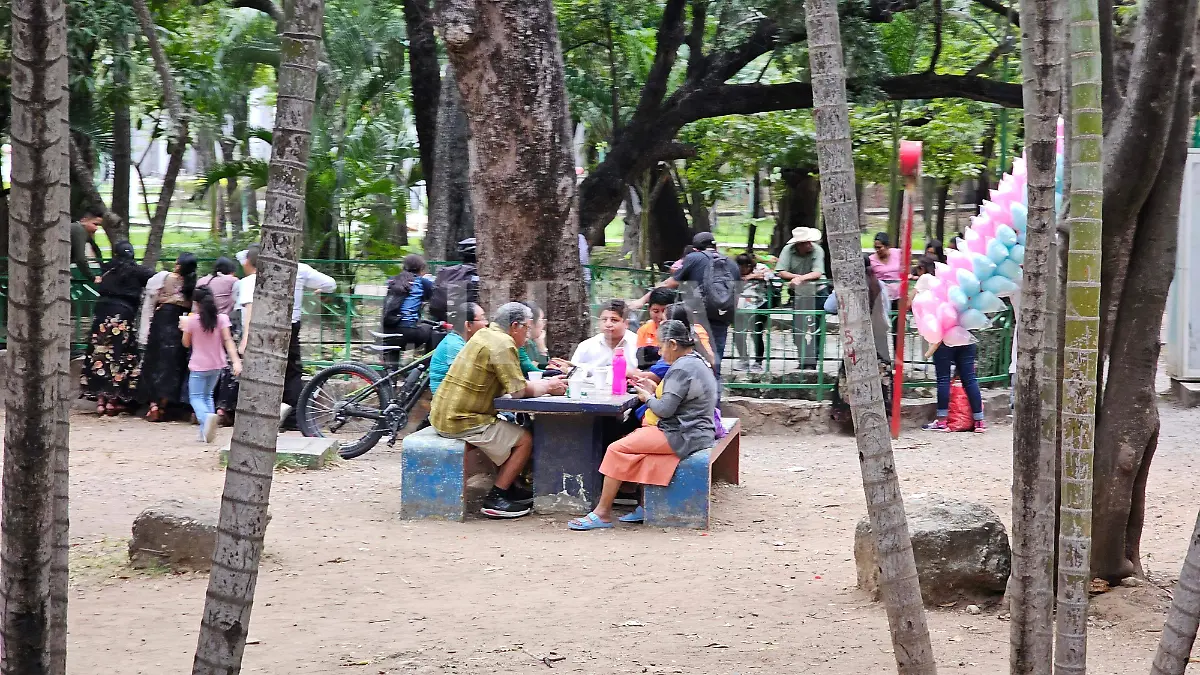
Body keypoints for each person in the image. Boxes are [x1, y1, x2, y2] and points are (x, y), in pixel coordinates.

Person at [568, 320, 719, 530]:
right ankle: (643, 505)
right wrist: (655, 388)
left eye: (661, 346)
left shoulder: (681, 368)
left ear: (673, 344)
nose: (659, 352)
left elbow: (664, 410)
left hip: (683, 433)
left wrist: (647, 397)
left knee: (616, 448)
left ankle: (601, 513)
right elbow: (677, 399)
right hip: (697, 431)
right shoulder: (696, 361)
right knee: (636, 446)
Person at [430, 302, 568, 519]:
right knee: (524, 439)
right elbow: (519, 391)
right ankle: (496, 497)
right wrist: (550, 387)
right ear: (515, 326)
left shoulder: (484, 335)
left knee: (511, 428)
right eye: (527, 327)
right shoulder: (503, 344)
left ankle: (510, 486)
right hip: (460, 420)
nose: (529, 334)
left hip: (442, 413)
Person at [234, 244, 337, 425]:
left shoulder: (253, 279)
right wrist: (320, 291)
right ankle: (294, 416)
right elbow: (330, 284)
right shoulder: (300, 269)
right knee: (292, 371)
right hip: (291, 324)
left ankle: (264, 415)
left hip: (264, 326)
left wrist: (245, 339)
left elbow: (250, 308)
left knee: (263, 370)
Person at [633, 232, 735, 376]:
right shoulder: (731, 263)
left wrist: (642, 300)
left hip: (698, 318)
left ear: (695, 249)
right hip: (722, 318)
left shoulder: (694, 258)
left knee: (684, 358)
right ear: (715, 246)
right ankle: (712, 395)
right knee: (713, 365)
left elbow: (670, 283)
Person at [80, 241, 155, 415]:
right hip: (123, 315)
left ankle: (100, 401)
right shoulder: (137, 271)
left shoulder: (107, 268)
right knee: (119, 355)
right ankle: (113, 401)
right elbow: (155, 277)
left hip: (102, 315)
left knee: (99, 354)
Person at [824, 257, 892, 423]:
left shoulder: (847, 286)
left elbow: (828, 307)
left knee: (853, 375)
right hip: (879, 336)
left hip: (856, 335)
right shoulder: (880, 285)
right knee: (879, 376)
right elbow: (887, 310)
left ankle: (850, 416)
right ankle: (879, 416)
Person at [138, 252, 198, 421]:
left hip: (162, 319)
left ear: (178, 265)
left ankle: (153, 405)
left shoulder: (165, 277)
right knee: (172, 365)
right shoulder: (192, 283)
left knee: (154, 361)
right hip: (180, 322)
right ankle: (164, 405)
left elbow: (152, 298)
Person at [182, 287, 243, 443]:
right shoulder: (221, 319)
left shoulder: (192, 320)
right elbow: (228, 341)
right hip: (217, 364)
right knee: (207, 395)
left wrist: (183, 328)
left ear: (196, 303)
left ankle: (206, 419)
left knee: (195, 397)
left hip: (198, 365)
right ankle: (205, 433)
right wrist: (236, 360)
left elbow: (186, 343)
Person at [775, 226, 825, 369]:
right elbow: (780, 271)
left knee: (816, 326)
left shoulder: (817, 251)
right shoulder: (788, 251)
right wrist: (798, 278)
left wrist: (800, 279)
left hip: (817, 291)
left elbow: (817, 273)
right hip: (799, 293)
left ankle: (813, 360)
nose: (810, 245)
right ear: (798, 244)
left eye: (810, 242)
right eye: (806, 242)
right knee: (798, 328)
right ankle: (803, 358)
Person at [381, 254, 437, 367]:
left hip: (387, 329)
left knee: (392, 347)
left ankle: (389, 380)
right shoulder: (422, 282)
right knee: (434, 331)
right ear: (421, 269)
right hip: (408, 332)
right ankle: (424, 368)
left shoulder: (392, 281)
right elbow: (435, 300)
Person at [924, 340, 987, 433]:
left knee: (943, 379)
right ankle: (979, 422)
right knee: (970, 380)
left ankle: (942, 422)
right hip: (966, 338)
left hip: (943, 340)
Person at [429, 302, 488, 394]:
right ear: (468, 325)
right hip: (446, 400)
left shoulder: (464, 342)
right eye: (483, 318)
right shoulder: (454, 345)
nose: (486, 323)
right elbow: (474, 377)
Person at [734, 253, 773, 373]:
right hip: (740, 307)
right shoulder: (734, 271)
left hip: (759, 305)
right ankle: (743, 360)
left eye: (745, 267)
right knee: (739, 334)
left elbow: (770, 275)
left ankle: (758, 361)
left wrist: (752, 276)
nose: (742, 270)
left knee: (756, 333)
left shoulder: (760, 268)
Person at [571, 299, 638, 370]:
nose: (608, 324)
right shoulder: (586, 346)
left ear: (626, 323)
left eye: (614, 320)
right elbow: (572, 372)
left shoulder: (638, 344)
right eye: (604, 320)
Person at [634, 288, 676, 369]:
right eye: (656, 311)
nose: (660, 316)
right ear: (649, 309)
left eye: (664, 311)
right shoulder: (644, 331)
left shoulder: (682, 331)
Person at [70, 208, 106, 281]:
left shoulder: (80, 230)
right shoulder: (79, 230)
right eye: (95, 224)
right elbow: (80, 259)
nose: (96, 228)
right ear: (84, 220)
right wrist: (92, 277)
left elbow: (96, 248)